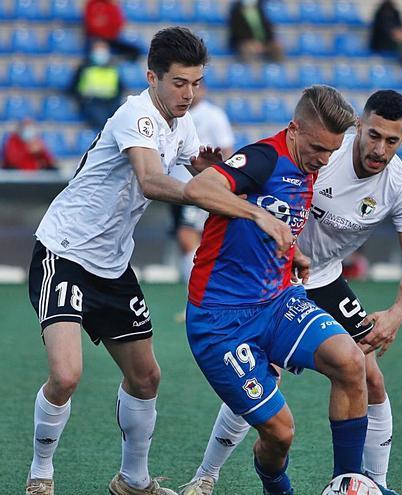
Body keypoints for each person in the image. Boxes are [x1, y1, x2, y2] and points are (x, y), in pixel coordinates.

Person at [179, 90, 402, 495]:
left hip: (312, 279)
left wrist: (396, 313)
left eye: (393, 141)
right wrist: (230, 183)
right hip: (247, 296)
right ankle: (208, 475)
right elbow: (241, 187)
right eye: (374, 136)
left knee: (362, 369)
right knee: (272, 408)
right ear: (360, 128)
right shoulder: (305, 153)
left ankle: (360, 484)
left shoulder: (391, 182)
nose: (380, 149)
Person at [24, 27, 223, 495]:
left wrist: (218, 172)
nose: (189, 94)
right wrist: (204, 191)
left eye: (196, 83)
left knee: (146, 375)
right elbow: (152, 180)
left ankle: (133, 481)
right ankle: (39, 473)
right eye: (179, 83)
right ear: (151, 76)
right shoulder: (136, 113)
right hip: (64, 252)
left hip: (112, 265)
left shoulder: (183, 122)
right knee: (67, 375)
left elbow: (199, 166)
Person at [170, 82, 235, 315]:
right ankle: (201, 298)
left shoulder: (214, 115)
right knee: (187, 240)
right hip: (175, 187)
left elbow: (227, 150)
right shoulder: (177, 115)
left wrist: (223, 179)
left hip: (198, 187)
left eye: (196, 86)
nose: (191, 92)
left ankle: (200, 301)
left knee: (187, 237)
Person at [70, 40, 125, 130]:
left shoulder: (113, 68)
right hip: (91, 104)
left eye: (103, 49)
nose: (101, 52)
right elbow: (74, 88)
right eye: (98, 49)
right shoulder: (84, 68)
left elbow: (120, 89)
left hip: (110, 104)